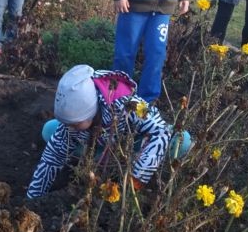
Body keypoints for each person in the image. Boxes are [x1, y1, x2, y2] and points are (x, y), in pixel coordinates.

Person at [27, 65, 173, 199]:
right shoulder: (72, 123)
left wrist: (137, 175)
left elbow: (161, 130)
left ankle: (118, 163)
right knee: (50, 130)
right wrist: (33, 196)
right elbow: (52, 157)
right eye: (67, 124)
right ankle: (96, 160)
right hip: (98, 146)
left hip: (129, 147)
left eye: (74, 124)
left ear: (89, 113)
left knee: (179, 140)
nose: (70, 127)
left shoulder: (127, 103)